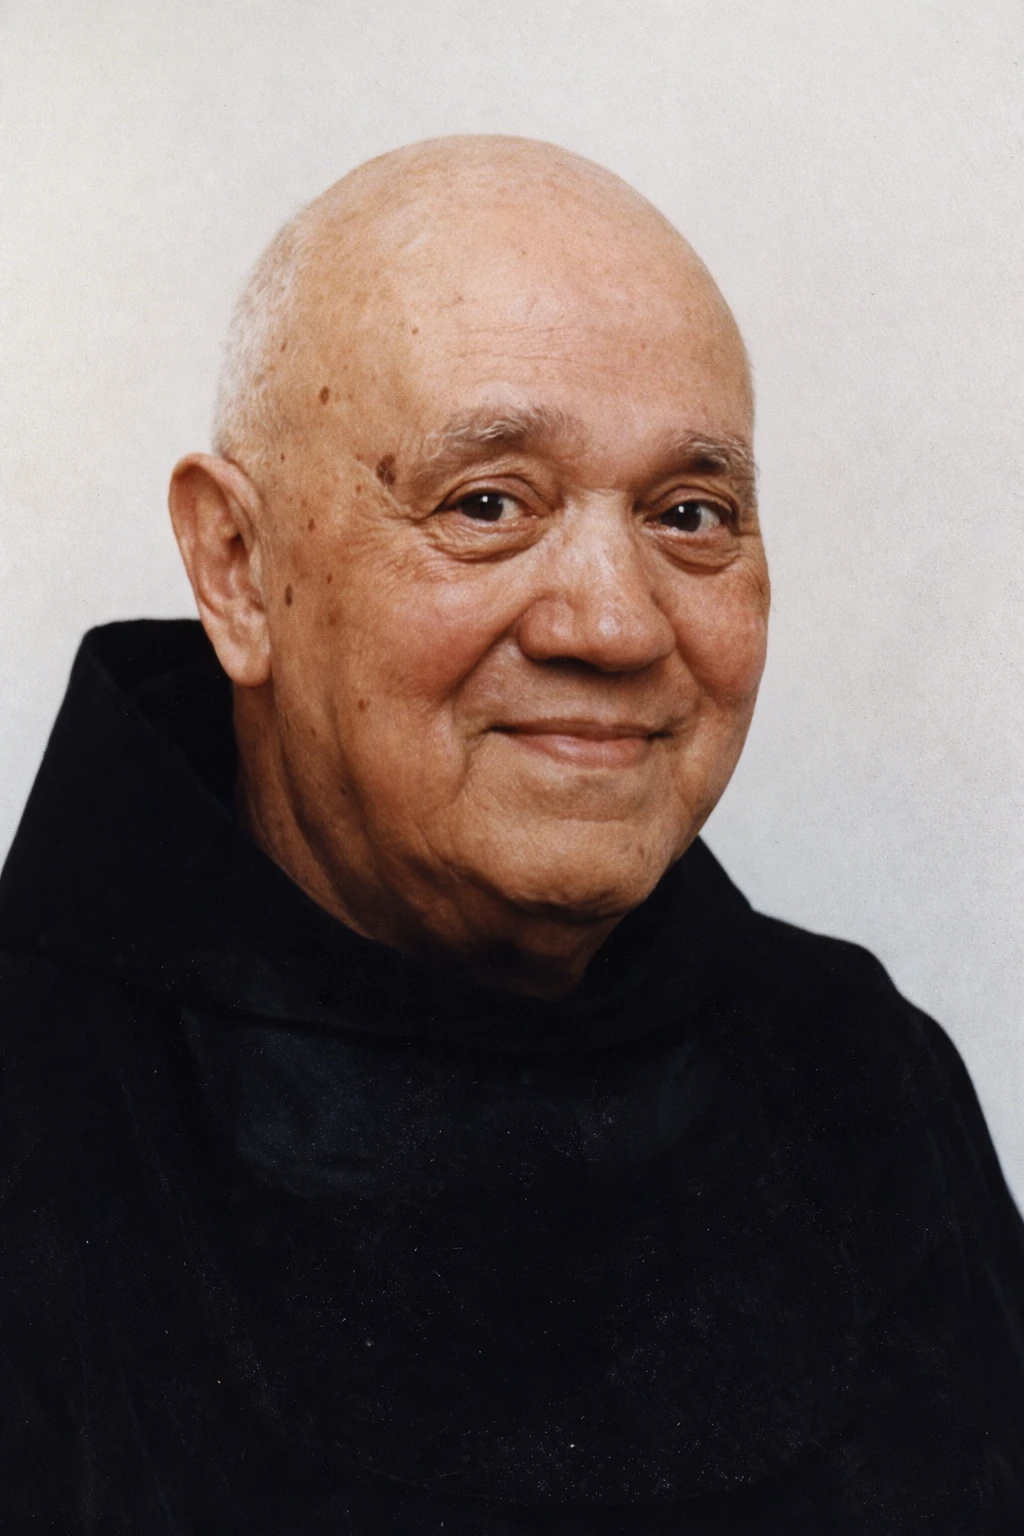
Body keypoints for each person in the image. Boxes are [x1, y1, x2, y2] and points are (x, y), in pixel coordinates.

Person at [0, 135, 1021, 1534]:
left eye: (690, 515)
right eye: (487, 504)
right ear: (238, 568)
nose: (612, 622)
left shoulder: (866, 1073)